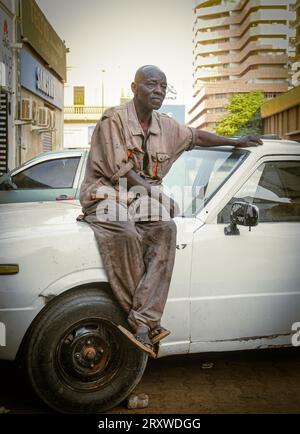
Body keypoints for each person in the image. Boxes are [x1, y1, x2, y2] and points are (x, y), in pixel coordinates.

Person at [79, 65, 263, 358]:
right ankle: (143, 320)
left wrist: (235, 141)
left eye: (164, 87)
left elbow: (196, 137)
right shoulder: (113, 119)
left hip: (138, 197)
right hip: (104, 193)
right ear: (134, 87)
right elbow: (120, 172)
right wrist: (156, 194)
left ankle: (144, 320)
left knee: (166, 227)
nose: (159, 91)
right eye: (152, 84)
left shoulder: (165, 126)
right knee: (124, 230)